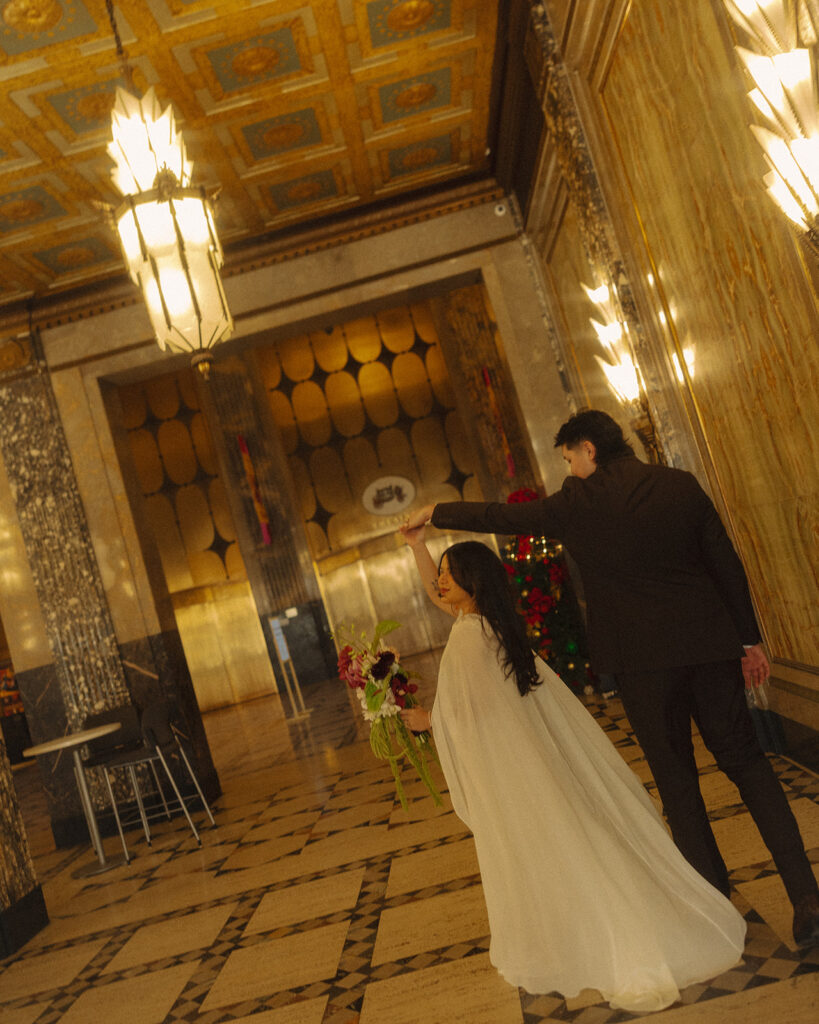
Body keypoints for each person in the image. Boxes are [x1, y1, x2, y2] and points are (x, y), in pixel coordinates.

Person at [403, 409, 819, 949]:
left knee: (678, 783)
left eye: (569, 457)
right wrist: (748, 639)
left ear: (588, 450)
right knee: (748, 764)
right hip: (709, 648)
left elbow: (504, 518)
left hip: (642, 665)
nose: (569, 469)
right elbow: (726, 563)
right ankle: (807, 898)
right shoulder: (680, 485)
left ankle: (717, 910)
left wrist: (437, 512)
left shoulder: (578, 503)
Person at [398, 532, 746, 1011]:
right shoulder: (491, 626)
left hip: (514, 774)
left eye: (446, 573)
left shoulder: (467, 638)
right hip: (531, 765)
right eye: (438, 573)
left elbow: (466, 717)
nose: (439, 582)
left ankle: (599, 937)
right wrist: (417, 548)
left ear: (470, 582)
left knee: (546, 849)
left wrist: (424, 721)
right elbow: (472, 670)